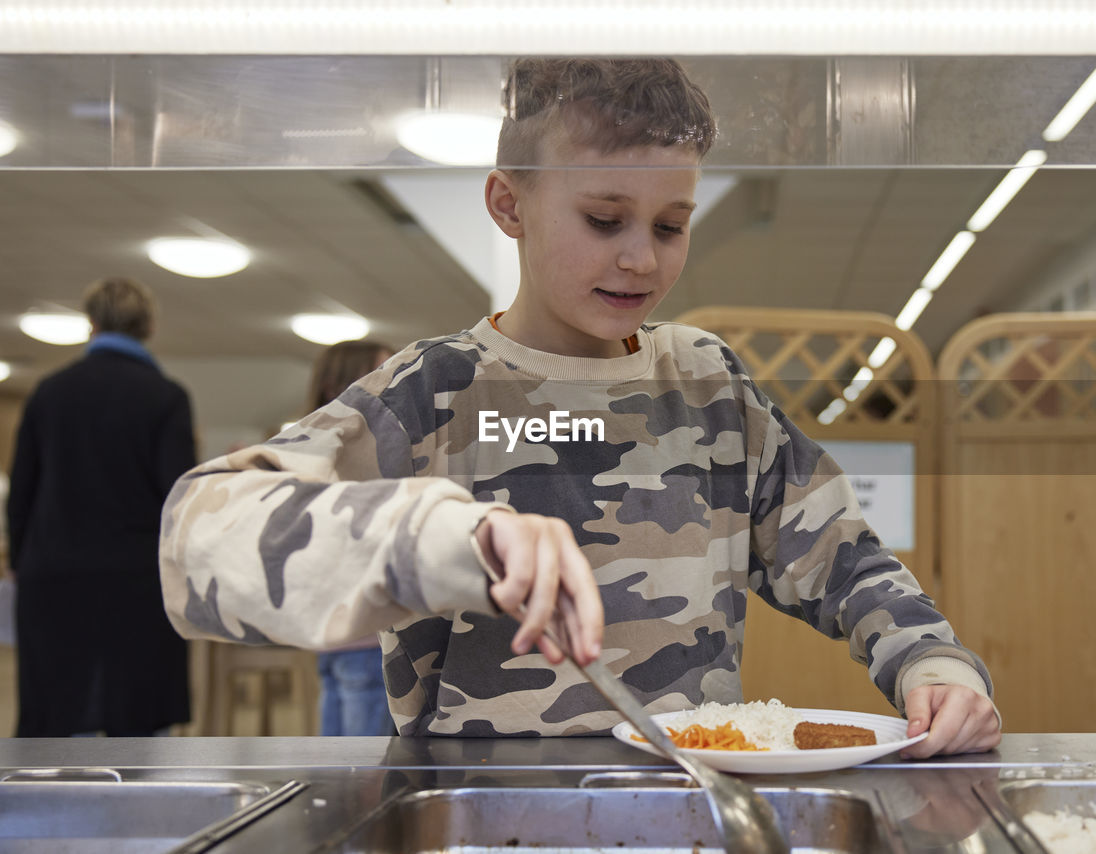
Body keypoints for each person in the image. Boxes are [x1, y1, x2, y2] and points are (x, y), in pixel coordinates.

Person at [160, 58, 1000, 757]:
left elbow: (846, 561)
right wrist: (439, 535)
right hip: (477, 815)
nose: (641, 258)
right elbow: (199, 542)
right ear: (508, 206)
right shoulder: (435, 389)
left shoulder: (710, 384)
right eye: (605, 219)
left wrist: (934, 664)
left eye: (671, 226)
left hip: (690, 808)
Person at [9, 277, 195, 736]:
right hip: (136, 578)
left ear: (89, 324)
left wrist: (19, 560)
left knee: (56, 714)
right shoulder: (165, 397)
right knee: (136, 723)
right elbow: (179, 499)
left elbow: (23, 490)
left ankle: (50, 806)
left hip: (52, 575)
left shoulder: (48, 393)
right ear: (149, 325)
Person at [308, 339, 398, 736]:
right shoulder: (357, 451)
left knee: (341, 779)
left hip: (339, 641)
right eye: (380, 375)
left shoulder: (316, 448)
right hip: (365, 643)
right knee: (363, 783)